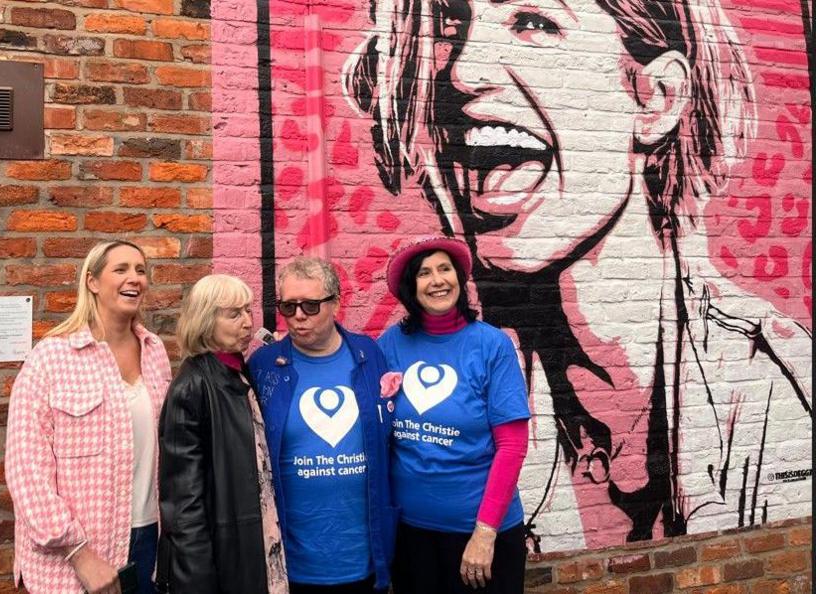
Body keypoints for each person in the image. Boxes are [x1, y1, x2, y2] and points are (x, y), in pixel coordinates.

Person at [346, 0, 811, 547]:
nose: (463, 71)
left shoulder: (772, 382)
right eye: (449, 28)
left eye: (534, 23)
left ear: (655, 98)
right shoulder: (454, 366)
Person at [6, 240, 172, 594]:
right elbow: (26, 472)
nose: (135, 278)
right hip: (75, 556)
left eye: (141, 270)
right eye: (121, 269)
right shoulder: (51, 358)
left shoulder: (155, 352)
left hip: (150, 542)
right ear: (93, 282)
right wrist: (81, 555)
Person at [377, 236, 529, 594]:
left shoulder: (492, 345)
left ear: (460, 280)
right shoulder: (391, 344)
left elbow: (512, 445)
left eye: (445, 269)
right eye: (424, 273)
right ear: (410, 287)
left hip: (479, 536)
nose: (437, 280)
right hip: (412, 536)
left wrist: (485, 533)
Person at [248, 257, 396, 594]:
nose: (298, 316)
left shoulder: (368, 355)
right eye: (288, 306)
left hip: (362, 556)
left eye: (311, 306)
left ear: (336, 303)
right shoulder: (264, 365)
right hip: (293, 562)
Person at [155, 274, 288, 594]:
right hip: (223, 561)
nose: (247, 322)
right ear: (205, 321)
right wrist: (197, 580)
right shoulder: (192, 386)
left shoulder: (238, 371)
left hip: (256, 546)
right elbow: (183, 504)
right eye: (233, 314)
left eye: (247, 311)